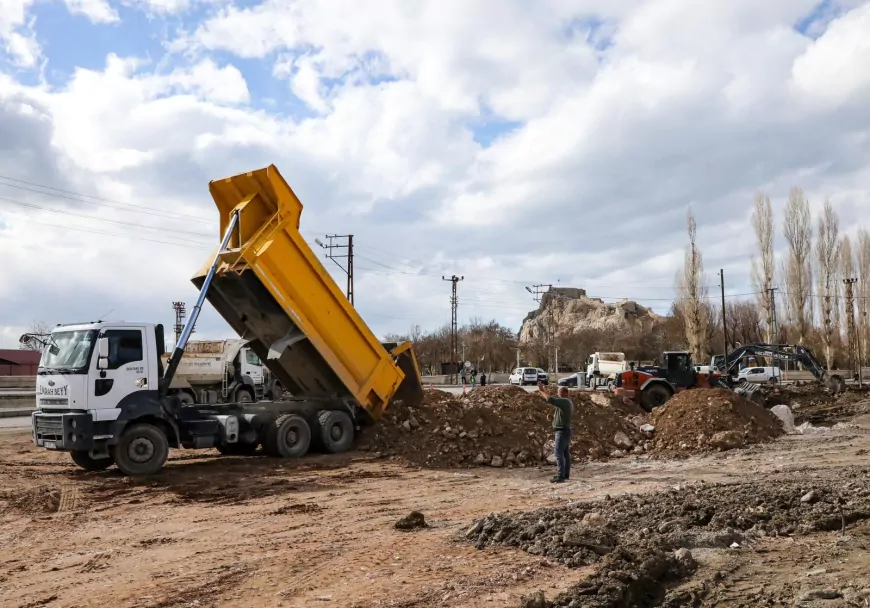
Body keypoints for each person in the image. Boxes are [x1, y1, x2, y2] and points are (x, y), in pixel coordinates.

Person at [537, 381, 573, 483]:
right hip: (565, 430)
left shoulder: (565, 401)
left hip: (562, 431)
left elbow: (550, 399)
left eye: (559, 392)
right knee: (565, 453)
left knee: (558, 453)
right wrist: (553, 418)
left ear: (564, 393)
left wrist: (541, 390)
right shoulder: (566, 402)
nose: (558, 394)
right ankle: (565, 475)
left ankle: (560, 476)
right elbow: (561, 413)